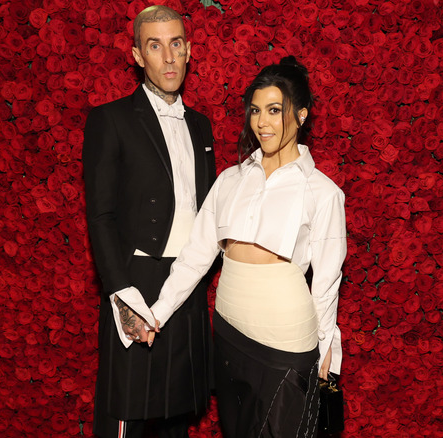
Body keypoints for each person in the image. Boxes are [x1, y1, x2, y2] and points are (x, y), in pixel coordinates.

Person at [148, 57, 347, 438]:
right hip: (228, 332)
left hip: (286, 341)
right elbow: (195, 257)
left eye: (275, 110)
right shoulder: (230, 180)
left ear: (301, 115)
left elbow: (326, 282)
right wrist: (157, 312)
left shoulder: (323, 193)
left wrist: (326, 352)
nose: (262, 122)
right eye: (256, 111)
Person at [82, 5, 218, 438]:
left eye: (176, 44)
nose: (169, 57)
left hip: (189, 286)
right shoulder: (111, 119)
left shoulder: (202, 126)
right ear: (138, 55)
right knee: (127, 416)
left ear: (189, 49)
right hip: (134, 284)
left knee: (177, 417)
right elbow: (100, 215)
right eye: (155, 46)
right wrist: (122, 294)